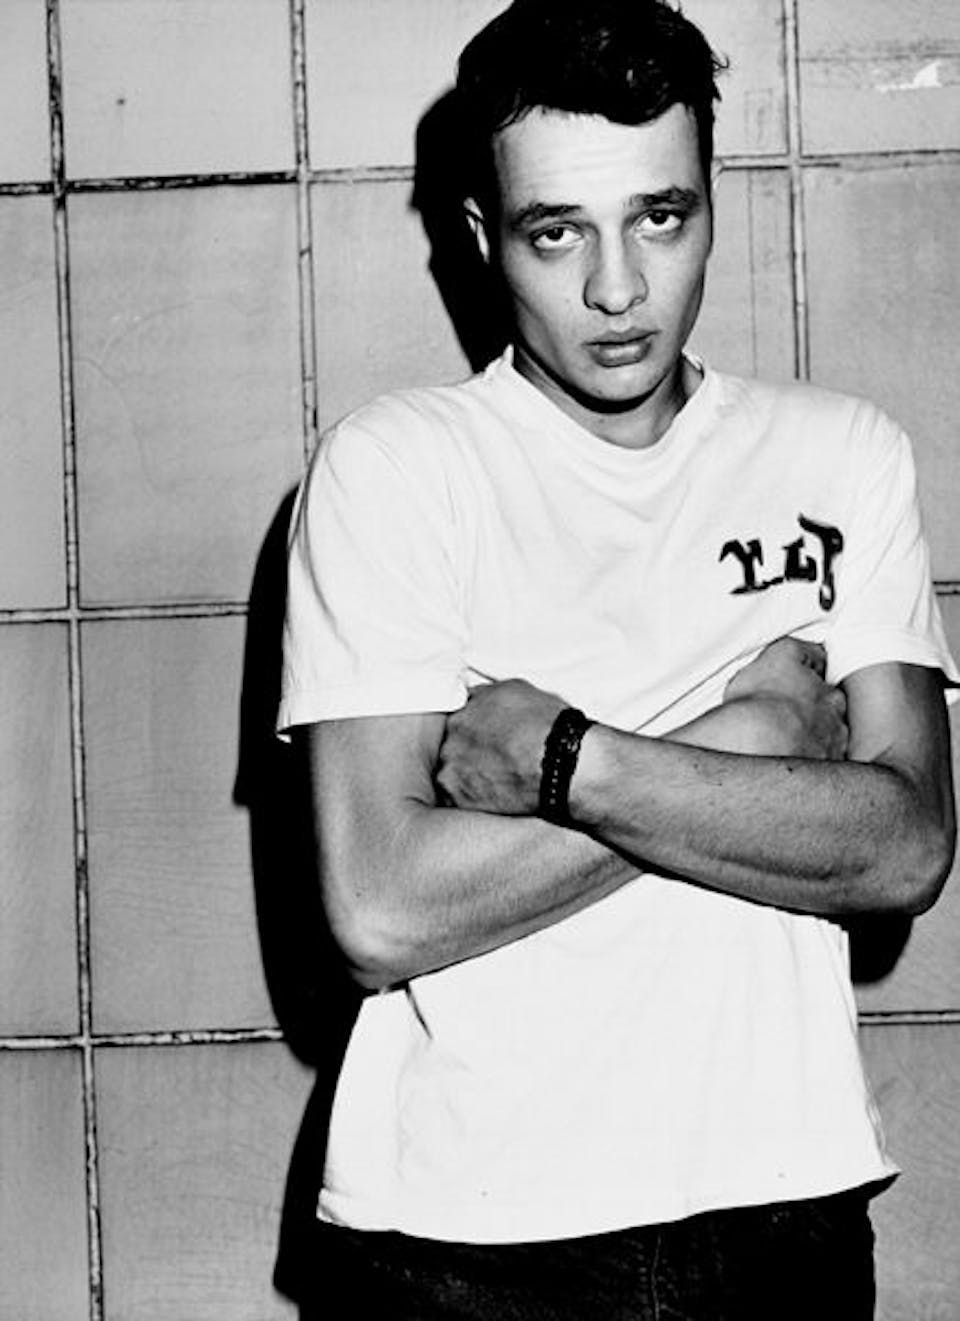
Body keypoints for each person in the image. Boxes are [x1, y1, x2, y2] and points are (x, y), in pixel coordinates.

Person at [277, 1, 958, 1315]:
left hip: (781, 1213)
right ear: (481, 236)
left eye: (660, 216)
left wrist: (569, 762)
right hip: (463, 1246)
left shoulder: (843, 455)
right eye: (556, 231)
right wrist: (748, 742)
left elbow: (907, 847)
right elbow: (381, 908)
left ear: (711, 203)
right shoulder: (398, 470)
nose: (616, 288)